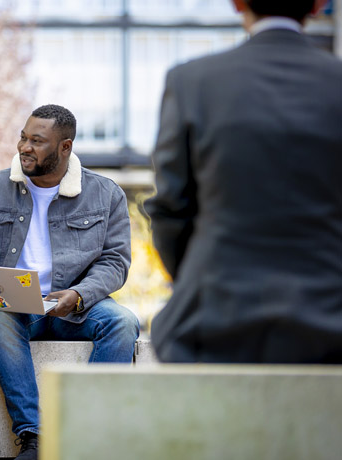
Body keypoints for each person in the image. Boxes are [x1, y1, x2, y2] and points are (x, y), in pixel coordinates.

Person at [145, 0, 342, 363]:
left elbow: (171, 209)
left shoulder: (191, 81)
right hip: (330, 325)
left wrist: (198, 282)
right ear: (318, 6)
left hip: (213, 324)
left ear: (237, 4)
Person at [0, 104, 140, 460]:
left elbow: (116, 261)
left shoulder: (105, 194)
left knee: (123, 323)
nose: (24, 147)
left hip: (78, 309)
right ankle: (33, 437)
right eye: (23, 138)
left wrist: (79, 294)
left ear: (64, 147)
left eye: (37, 141)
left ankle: (82, 432)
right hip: (15, 308)